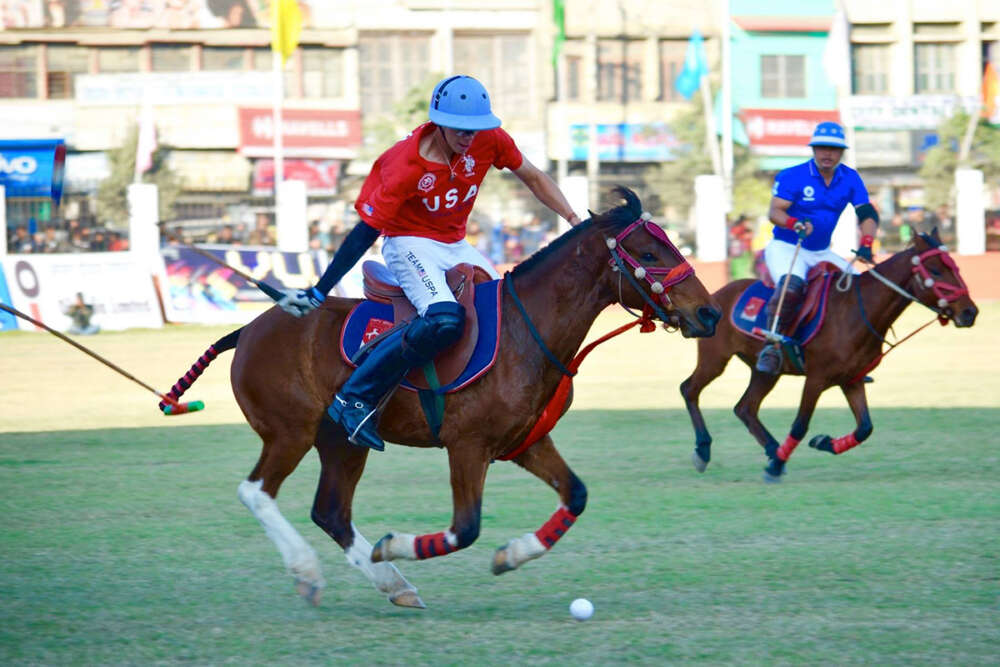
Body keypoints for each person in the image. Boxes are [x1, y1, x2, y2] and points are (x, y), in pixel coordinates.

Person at [277, 75, 581, 451]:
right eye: (460, 129)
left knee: (506, 309)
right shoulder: (403, 164)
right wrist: (322, 289)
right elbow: (365, 233)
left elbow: (533, 177)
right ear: (438, 121)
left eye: (476, 129)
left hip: (455, 243)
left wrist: (574, 219)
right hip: (408, 243)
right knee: (444, 319)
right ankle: (354, 398)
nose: (470, 137)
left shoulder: (490, 140)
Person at [755, 121, 879, 375]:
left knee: (859, 290)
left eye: (833, 149)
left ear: (841, 152)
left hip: (822, 250)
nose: (827, 154)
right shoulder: (793, 175)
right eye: (822, 148)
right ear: (813, 149)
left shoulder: (850, 178)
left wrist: (866, 243)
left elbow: (866, 213)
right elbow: (774, 211)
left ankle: (853, 356)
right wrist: (794, 222)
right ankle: (772, 346)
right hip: (788, 247)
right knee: (792, 285)